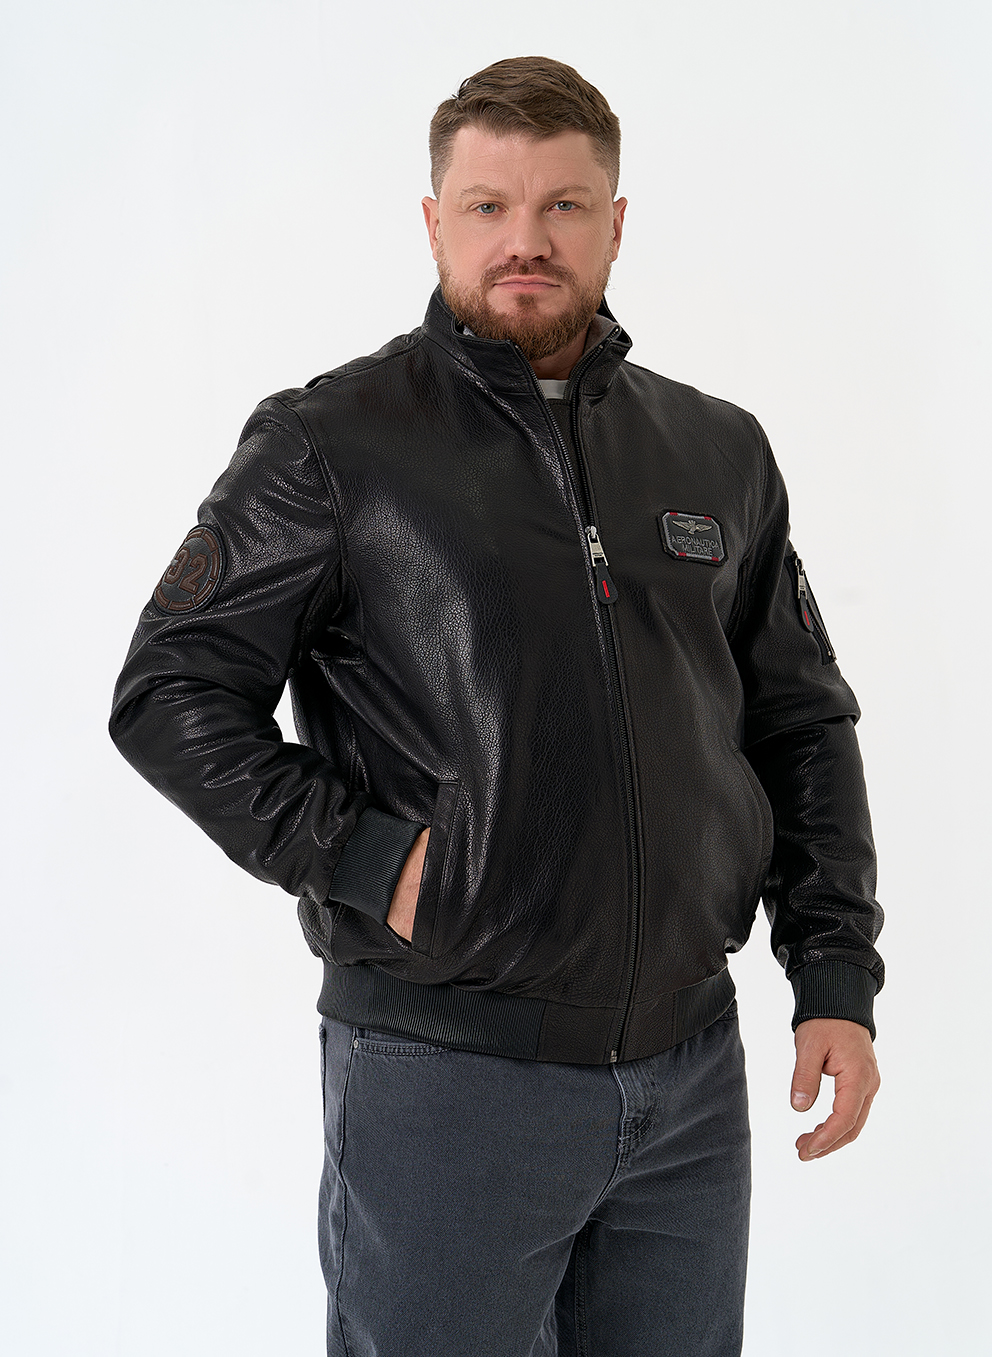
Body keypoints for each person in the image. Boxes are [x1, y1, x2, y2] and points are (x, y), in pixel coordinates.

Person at [110, 55, 883, 1357]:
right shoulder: (331, 443)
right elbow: (170, 689)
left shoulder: (717, 449)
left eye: (563, 206)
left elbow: (801, 724)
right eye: (488, 206)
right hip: (448, 1075)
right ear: (435, 221)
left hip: (691, 1076)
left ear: (616, 222)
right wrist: (365, 857)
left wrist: (835, 975)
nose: (526, 240)